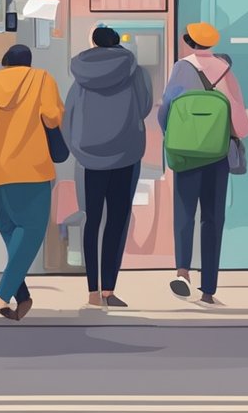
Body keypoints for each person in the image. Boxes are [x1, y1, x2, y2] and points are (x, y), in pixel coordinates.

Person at [159, 21, 248, 307]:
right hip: (218, 155)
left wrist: (173, 136)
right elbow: (241, 122)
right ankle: (209, 288)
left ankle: (182, 271)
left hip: (186, 154)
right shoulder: (226, 70)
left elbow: (166, 110)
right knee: (213, 219)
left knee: (184, 214)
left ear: (189, 41)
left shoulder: (180, 68)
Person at [64, 26, 153, 308]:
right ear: (117, 43)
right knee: (117, 220)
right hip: (126, 152)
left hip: (90, 157)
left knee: (92, 219)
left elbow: (70, 115)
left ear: (93, 43)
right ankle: (109, 291)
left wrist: (79, 147)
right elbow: (145, 106)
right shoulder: (136, 71)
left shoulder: (80, 75)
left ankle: (91, 291)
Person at [0, 44, 64, 320]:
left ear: (5, 62)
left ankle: (20, 294)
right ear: (29, 62)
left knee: (11, 229)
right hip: (30, 168)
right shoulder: (41, 78)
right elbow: (52, 116)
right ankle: (3, 293)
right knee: (32, 230)